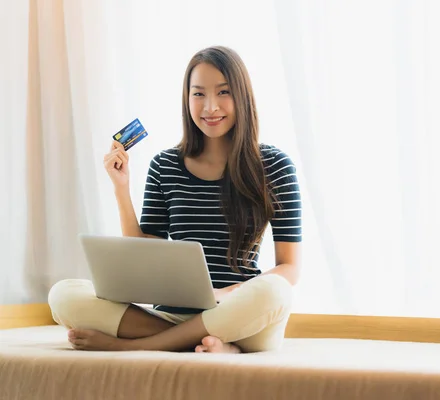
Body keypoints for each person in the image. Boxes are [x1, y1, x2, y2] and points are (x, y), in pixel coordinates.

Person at [48, 46, 302, 353]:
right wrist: (121, 189)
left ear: (242, 96)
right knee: (63, 295)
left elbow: (289, 267)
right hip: (173, 312)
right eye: (198, 94)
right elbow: (142, 254)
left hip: (239, 313)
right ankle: (214, 344)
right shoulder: (165, 165)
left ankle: (137, 346)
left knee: (275, 291)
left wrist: (231, 293)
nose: (210, 107)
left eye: (223, 92)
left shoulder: (274, 165)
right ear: (186, 99)